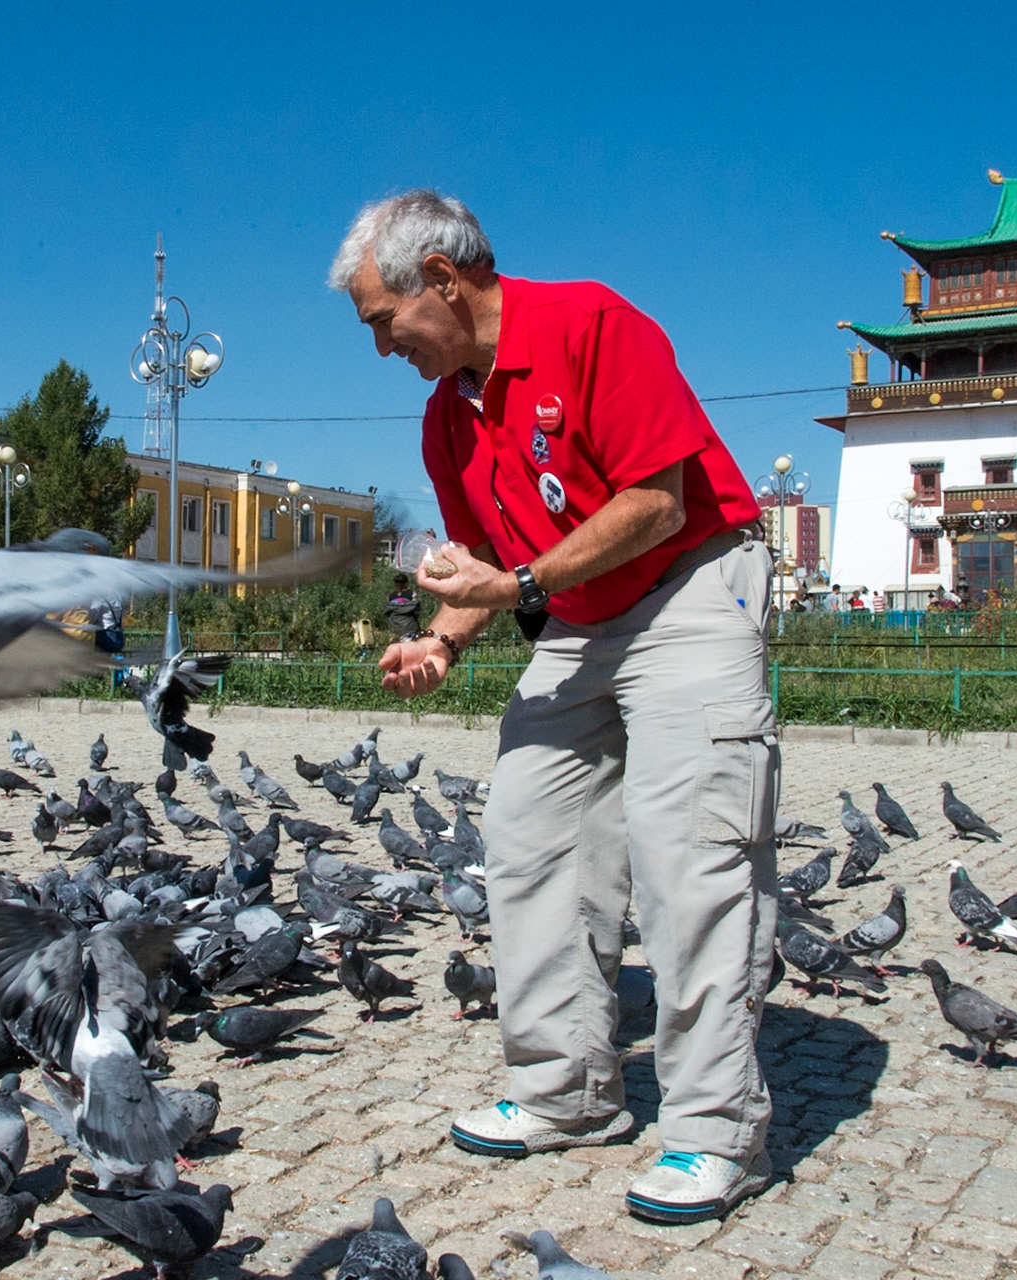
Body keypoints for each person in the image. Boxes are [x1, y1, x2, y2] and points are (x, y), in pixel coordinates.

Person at [330, 189, 778, 1223]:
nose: (382, 347)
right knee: (529, 835)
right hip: (574, 610)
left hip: (692, 582)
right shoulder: (449, 415)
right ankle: (565, 1090)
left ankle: (715, 1132)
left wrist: (520, 587)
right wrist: (439, 639)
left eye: (382, 321)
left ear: (440, 280)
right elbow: (479, 562)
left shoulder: (592, 327)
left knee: (688, 850)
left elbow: (655, 501)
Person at [383, 573, 423, 641]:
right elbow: (416, 611)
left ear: (395, 584)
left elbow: (387, 612)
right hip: (410, 626)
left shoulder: (390, 596)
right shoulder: (412, 594)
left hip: (394, 627)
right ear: (406, 583)